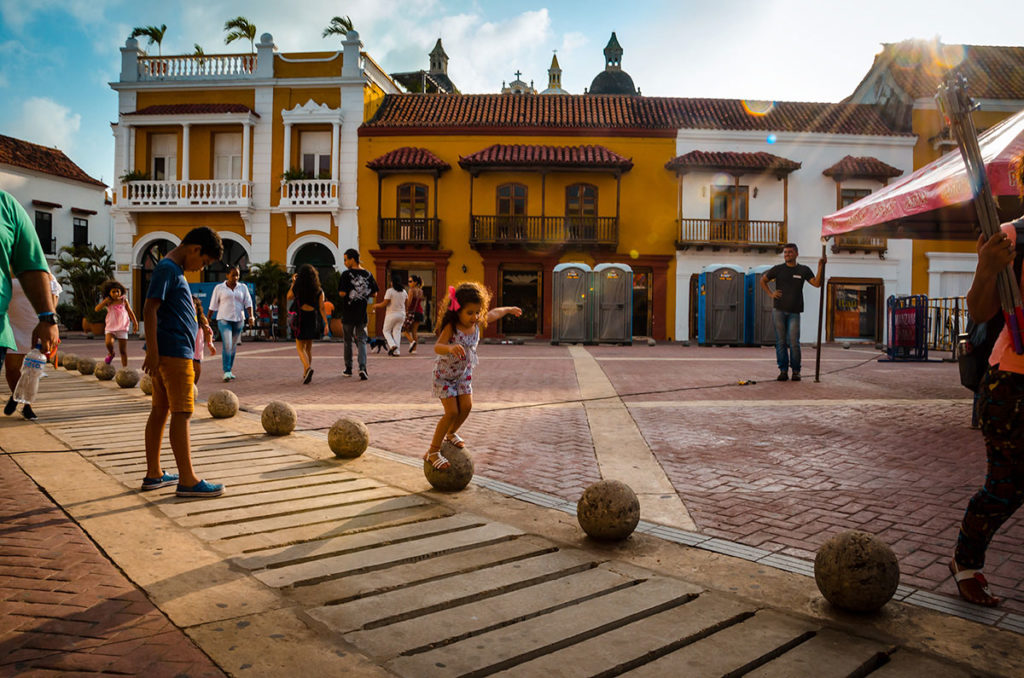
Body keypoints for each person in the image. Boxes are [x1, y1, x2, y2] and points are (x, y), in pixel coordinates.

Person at [951, 216, 1024, 607]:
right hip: (1013, 380)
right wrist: (987, 267)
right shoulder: (1012, 237)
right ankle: (965, 561)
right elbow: (979, 312)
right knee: (1006, 486)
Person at [142, 226, 225, 498]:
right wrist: (152, 351)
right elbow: (149, 308)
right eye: (203, 262)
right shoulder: (168, 269)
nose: (200, 268)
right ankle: (188, 479)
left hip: (169, 351)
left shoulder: (171, 270)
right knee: (182, 412)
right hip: (174, 353)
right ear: (195, 249)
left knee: (161, 410)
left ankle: (154, 473)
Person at [426, 282, 521, 469]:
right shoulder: (451, 328)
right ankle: (433, 451)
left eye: (477, 312)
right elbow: (437, 346)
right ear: (457, 310)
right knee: (451, 412)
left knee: (467, 407)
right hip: (445, 376)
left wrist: (509, 309)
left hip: (463, 375)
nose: (475, 317)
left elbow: (494, 313)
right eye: (470, 313)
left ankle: (451, 433)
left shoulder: (477, 322)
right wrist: (450, 347)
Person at [0, 189, 60, 375]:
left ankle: (24, 402)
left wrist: (48, 319)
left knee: (29, 369)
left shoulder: (6, 205)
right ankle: (17, 400)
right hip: (14, 322)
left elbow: (34, 268)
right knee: (13, 368)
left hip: (21, 324)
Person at [759, 243, 825, 382]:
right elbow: (763, 280)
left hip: (795, 312)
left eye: (790, 252)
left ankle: (796, 371)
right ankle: (783, 371)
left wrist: (820, 266)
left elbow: (817, 283)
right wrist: (771, 294)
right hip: (779, 311)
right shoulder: (778, 269)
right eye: (785, 252)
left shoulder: (803, 270)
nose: (787, 254)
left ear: (796, 254)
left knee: (794, 342)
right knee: (781, 342)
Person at [4, 272, 61, 420]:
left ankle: (26, 405)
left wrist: (50, 323)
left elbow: (54, 296)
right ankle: (16, 396)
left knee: (31, 369)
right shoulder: (4, 267)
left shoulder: (43, 272)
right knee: (11, 368)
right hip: (10, 324)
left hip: (34, 324)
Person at [208, 265, 254, 382]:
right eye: (233, 275)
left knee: (233, 346)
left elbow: (248, 303)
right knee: (227, 344)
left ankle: (229, 369)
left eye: (237, 275)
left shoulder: (243, 287)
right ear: (227, 275)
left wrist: (251, 316)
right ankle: (226, 370)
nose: (236, 277)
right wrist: (207, 319)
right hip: (224, 319)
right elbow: (213, 304)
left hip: (238, 319)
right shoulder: (219, 288)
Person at [337, 248, 378, 380]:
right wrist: (364, 294)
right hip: (361, 313)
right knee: (362, 341)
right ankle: (362, 367)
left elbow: (342, 293)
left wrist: (350, 292)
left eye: (345, 259)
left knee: (347, 341)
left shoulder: (345, 275)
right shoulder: (368, 274)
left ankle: (348, 369)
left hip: (348, 313)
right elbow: (375, 293)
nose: (344, 262)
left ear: (352, 259)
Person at [287, 264, 328, 384]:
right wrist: (326, 323)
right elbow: (322, 308)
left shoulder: (298, 288)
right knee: (308, 348)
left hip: (300, 317)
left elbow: (289, 297)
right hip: (312, 317)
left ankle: (307, 368)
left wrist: (293, 283)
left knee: (300, 347)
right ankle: (305, 372)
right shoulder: (319, 290)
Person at [96, 280, 138, 367]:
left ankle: (125, 368)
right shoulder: (108, 302)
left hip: (122, 327)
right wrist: (104, 302)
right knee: (108, 343)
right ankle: (111, 353)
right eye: (113, 291)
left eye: (117, 291)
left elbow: (130, 312)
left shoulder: (124, 300)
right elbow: (97, 309)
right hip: (110, 326)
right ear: (109, 292)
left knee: (123, 350)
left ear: (121, 291)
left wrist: (135, 323)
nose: (116, 293)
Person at [373, 272, 408, 356]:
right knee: (397, 332)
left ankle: (392, 345)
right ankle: (397, 351)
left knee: (386, 331)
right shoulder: (404, 291)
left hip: (391, 314)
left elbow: (384, 303)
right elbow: (406, 303)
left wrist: (376, 305)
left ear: (392, 282)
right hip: (402, 314)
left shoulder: (390, 291)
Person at [191, 296, 216, 385]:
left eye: (193, 306)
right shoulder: (183, 318)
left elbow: (208, 332)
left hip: (197, 349)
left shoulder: (202, 319)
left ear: (197, 307)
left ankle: (194, 387)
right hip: (186, 347)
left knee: (197, 368)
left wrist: (210, 344)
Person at [402, 274, 425, 354]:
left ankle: (412, 342)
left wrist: (405, 309)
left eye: (410, 281)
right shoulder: (420, 291)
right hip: (419, 312)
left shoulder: (411, 290)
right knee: (414, 331)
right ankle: (414, 349)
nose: (409, 283)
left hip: (412, 312)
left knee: (404, 330)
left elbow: (409, 302)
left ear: (415, 282)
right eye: (408, 281)